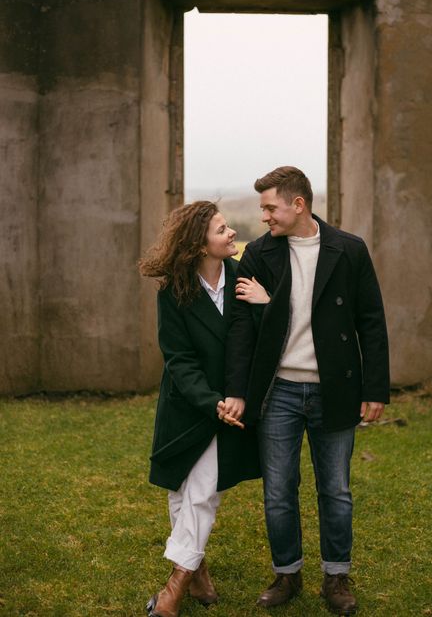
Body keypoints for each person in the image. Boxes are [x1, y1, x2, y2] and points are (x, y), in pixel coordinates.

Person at [223, 166, 390, 615]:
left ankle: (336, 577)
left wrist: (375, 388)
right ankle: (287, 573)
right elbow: (242, 327)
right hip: (277, 390)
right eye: (262, 209)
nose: (264, 217)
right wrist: (237, 390)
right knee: (279, 490)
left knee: (335, 489)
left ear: (298, 204)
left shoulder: (348, 250)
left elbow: (370, 321)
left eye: (270, 207)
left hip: (335, 388)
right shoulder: (257, 254)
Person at [139, 200, 266, 617]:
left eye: (229, 227)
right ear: (198, 245)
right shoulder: (173, 292)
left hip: (234, 403)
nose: (231, 234)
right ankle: (197, 570)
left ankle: (174, 586)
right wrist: (210, 401)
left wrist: (235, 395)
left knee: (203, 491)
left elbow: (252, 343)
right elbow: (179, 359)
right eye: (222, 229)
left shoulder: (245, 277)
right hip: (188, 405)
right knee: (181, 489)